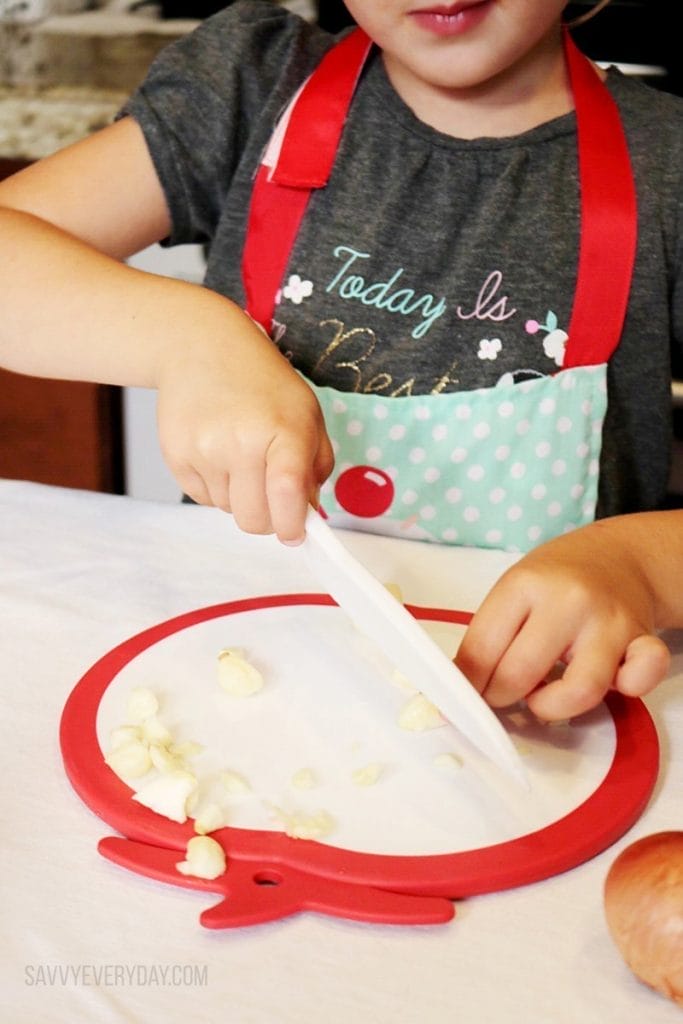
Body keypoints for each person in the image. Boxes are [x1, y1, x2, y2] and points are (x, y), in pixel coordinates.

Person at [1, 0, 682, 723]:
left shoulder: (667, 162)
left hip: (537, 724)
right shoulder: (253, 86)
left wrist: (639, 568)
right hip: (237, 684)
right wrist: (188, 338)